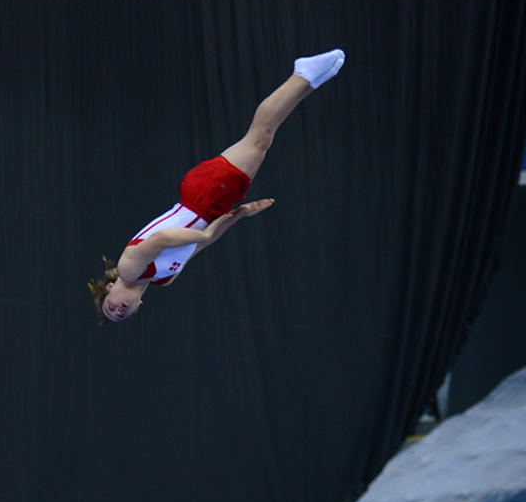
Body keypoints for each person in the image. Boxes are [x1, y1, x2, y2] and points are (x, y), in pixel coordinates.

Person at [88, 48, 345, 323]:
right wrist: (238, 217)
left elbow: (163, 239)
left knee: (258, 138)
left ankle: (302, 74)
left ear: (111, 287)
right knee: (262, 142)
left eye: (110, 307)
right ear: (139, 307)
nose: (118, 310)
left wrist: (206, 236)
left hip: (198, 198)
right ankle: (308, 82)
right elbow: (198, 246)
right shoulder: (166, 278)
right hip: (211, 207)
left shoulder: (128, 270)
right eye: (121, 315)